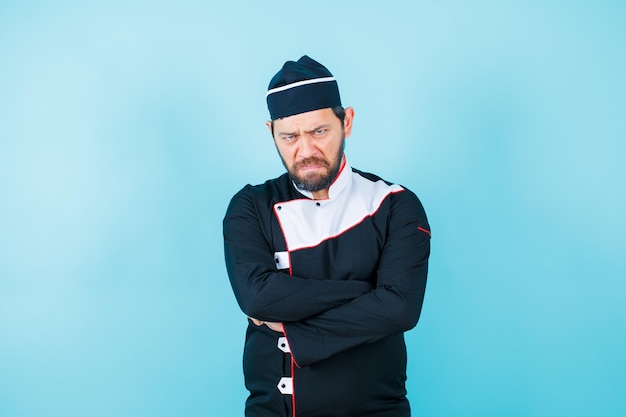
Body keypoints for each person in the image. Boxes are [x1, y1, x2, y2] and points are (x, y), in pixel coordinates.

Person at [223, 55, 431, 417]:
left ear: (346, 121)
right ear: (271, 131)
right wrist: (369, 293)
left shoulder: (395, 204)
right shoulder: (249, 207)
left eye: (319, 132)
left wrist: (294, 329)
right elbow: (257, 298)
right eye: (289, 137)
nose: (305, 151)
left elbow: (401, 309)